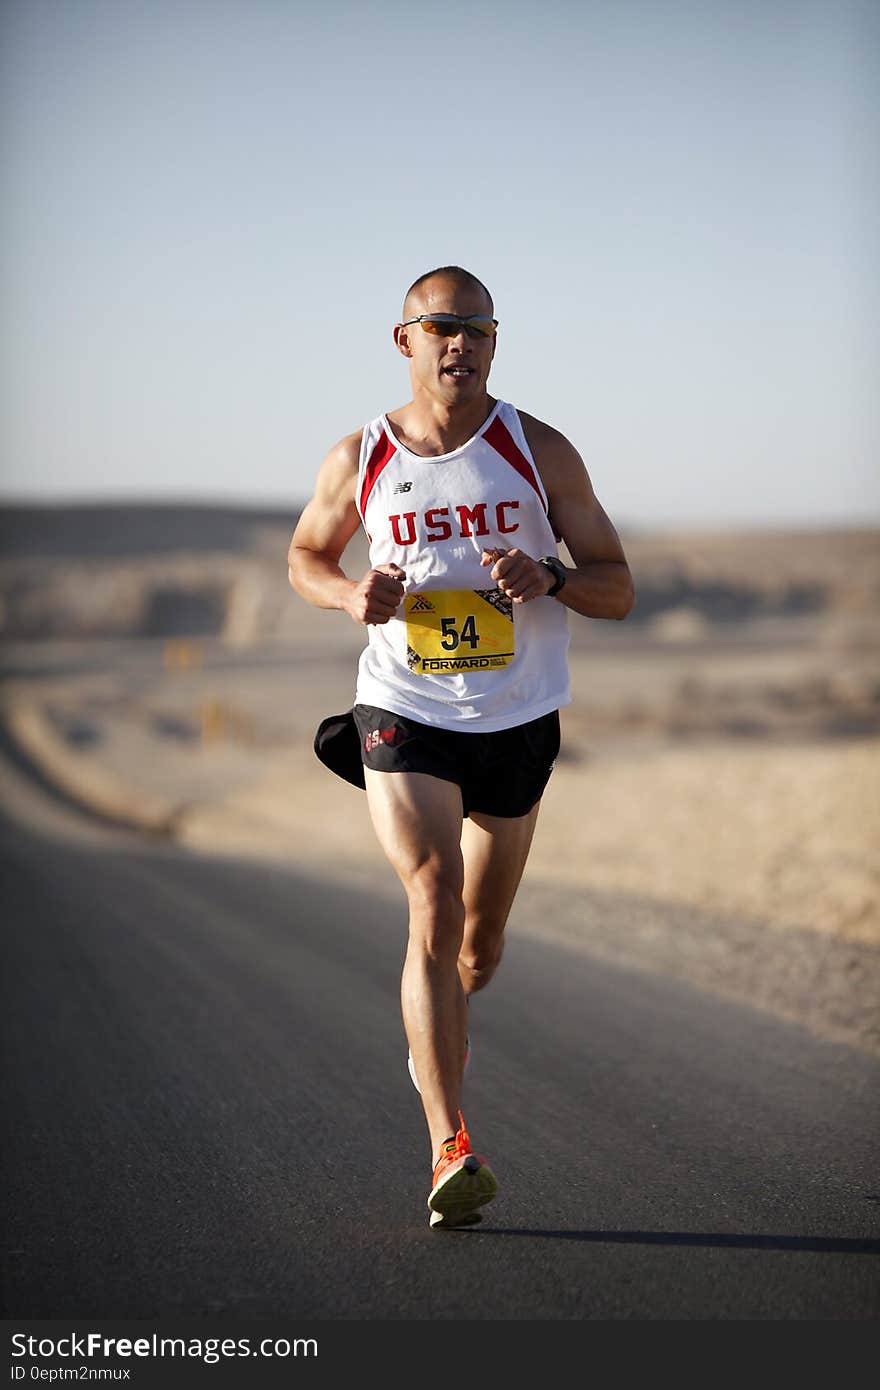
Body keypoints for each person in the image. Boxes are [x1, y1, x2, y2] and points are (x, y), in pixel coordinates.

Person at [287, 265, 634, 1229]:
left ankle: (445, 1020)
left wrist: (553, 577)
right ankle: (451, 1144)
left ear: (493, 342)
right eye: (442, 326)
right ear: (404, 340)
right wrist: (349, 596)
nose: (462, 343)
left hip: (517, 720)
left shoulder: (538, 451)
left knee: (478, 946)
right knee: (431, 899)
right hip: (403, 706)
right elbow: (306, 557)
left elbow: (618, 586)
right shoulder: (359, 457)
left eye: (479, 329)